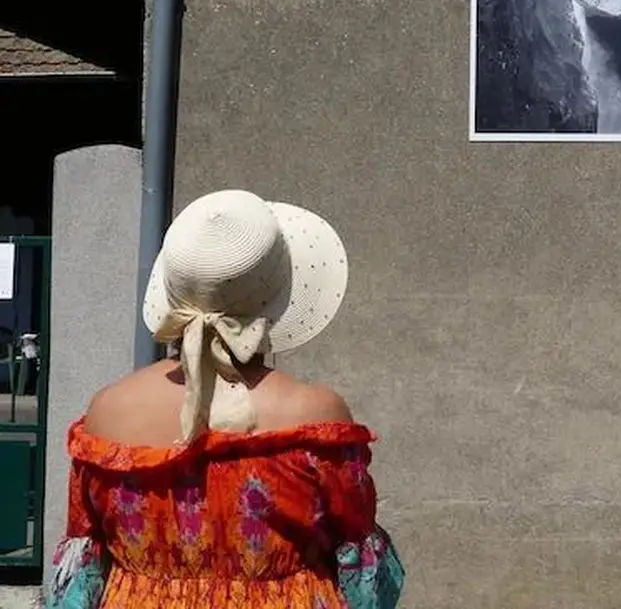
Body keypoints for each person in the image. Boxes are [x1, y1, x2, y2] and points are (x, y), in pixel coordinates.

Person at [45, 189, 405, 608]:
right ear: (275, 299)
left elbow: (78, 582)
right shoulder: (315, 414)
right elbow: (365, 574)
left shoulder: (107, 409)